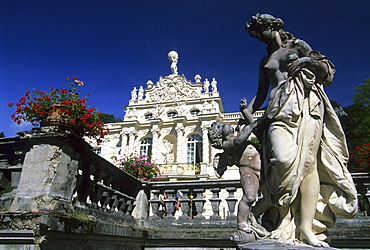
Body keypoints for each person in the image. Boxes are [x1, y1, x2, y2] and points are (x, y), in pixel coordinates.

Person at [243, 14, 357, 247]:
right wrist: (247, 111)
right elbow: (262, 91)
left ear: (271, 27)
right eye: (254, 33)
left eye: (259, 31)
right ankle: (275, 213)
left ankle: (305, 228)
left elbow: (327, 71)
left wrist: (305, 62)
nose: (258, 36)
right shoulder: (265, 60)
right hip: (277, 113)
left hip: (305, 107)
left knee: (308, 165)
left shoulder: (298, 45)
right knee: (282, 160)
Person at [208, 99, 269, 241]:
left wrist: (244, 110)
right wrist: (252, 124)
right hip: (249, 171)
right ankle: (241, 222)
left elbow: (245, 121)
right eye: (221, 126)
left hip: (263, 168)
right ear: (219, 134)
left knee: (269, 199)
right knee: (250, 197)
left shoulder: (238, 131)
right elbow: (239, 140)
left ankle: (253, 214)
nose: (225, 125)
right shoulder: (227, 145)